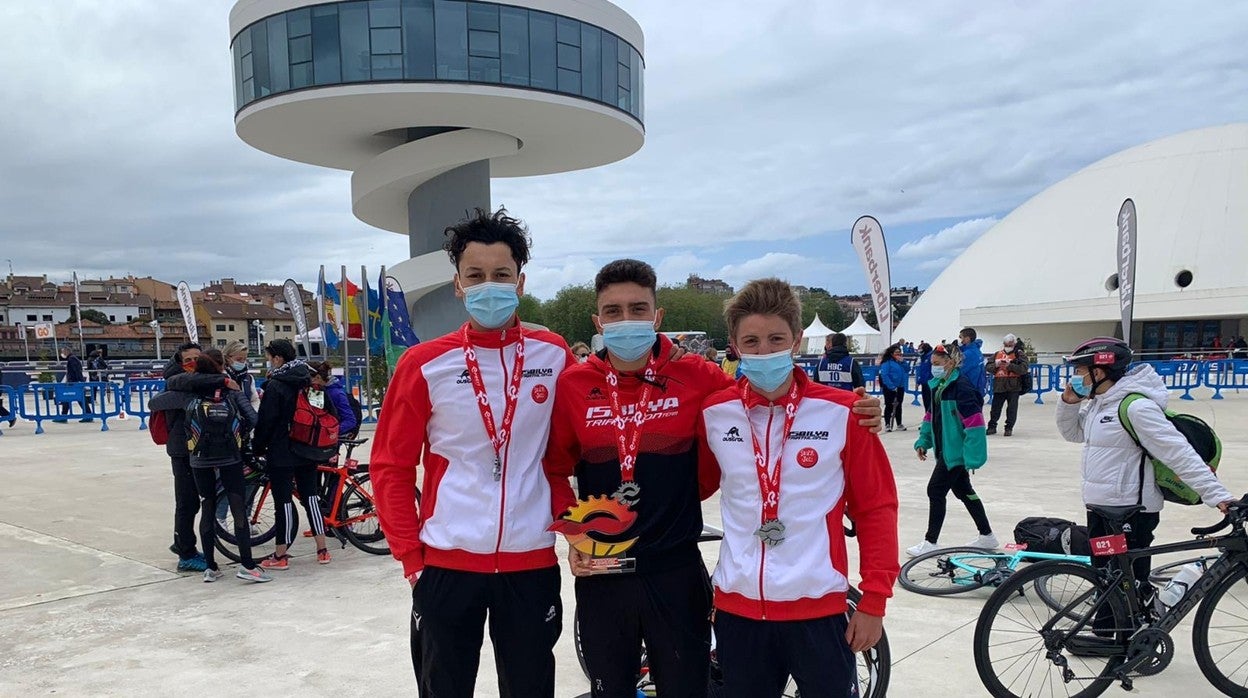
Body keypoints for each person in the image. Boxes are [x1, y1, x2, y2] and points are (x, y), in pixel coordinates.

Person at [544, 261, 884, 698]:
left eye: (637, 308)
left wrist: (857, 410)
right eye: (613, 311)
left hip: (676, 571)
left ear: (657, 316)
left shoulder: (700, 379)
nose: (626, 320)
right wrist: (573, 533)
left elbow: (739, 435)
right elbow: (553, 468)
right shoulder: (573, 383)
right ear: (598, 321)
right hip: (604, 571)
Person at [371, 208, 570, 698]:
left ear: (520, 282)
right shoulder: (424, 363)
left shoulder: (553, 353)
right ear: (457, 285)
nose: (489, 286)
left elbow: (564, 458)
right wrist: (412, 559)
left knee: (530, 689)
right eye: (475, 276)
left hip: (531, 562)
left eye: (501, 275)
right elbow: (390, 467)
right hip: (446, 564)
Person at [696, 278, 897, 698]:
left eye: (776, 339)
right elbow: (693, 486)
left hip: (818, 611)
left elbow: (876, 508)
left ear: (797, 340)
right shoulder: (715, 413)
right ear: (733, 345)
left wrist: (874, 600)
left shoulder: (843, 413)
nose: (763, 351)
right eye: (751, 341)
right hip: (738, 612)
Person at [1056, 337, 1234, 604]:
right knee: (1106, 578)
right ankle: (1109, 636)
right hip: (1101, 507)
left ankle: (1129, 635)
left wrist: (1218, 496)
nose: (1075, 378)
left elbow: (1179, 453)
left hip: (1132, 512)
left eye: (1080, 371)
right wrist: (1069, 402)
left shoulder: (1136, 408)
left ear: (1099, 371)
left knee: (1126, 582)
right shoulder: (1099, 404)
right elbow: (1072, 433)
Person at [173, 351, 270, 583]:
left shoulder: (188, 393)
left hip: (199, 458)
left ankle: (210, 567)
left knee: (208, 507)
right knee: (238, 509)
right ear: (219, 369)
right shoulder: (232, 390)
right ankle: (247, 565)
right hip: (230, 457)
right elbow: (254, 419)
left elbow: (156, 400)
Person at [908, 342, 998, 556]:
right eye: (932, 363)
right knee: (964, 492)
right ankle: (987, 536)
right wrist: (924, 441)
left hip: (955, 454)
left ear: (950, 362)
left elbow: (975, 424)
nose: (934, 367)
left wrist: (972, 456)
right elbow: (930, 417)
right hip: (944, 450)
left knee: (935, 490)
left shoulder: (962, 388)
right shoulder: (938, 386)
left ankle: (931, 541)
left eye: (937, 363)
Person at [252, 339, 333, 570]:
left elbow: (266, 422)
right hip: (307, 450)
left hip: (281, 452)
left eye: (269, 357)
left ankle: (281, 555)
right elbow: (324, 412)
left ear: (278, 358)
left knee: (284, 502)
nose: (269, 361)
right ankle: (322, 549)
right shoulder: (309, 382)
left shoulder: (275, 386)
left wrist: (258, 447)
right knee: (311, 497)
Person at [150, 342, 231, 572]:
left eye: (198, 358)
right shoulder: (176, 385)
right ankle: (185, 552)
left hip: (198, 449)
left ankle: (183, 543)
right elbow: (154, 402)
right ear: (179, 363)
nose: (193, 363)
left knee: (198, 500)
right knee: (187, 502)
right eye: (188, 360)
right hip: (182, 449)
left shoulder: (198, 381)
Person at [986, 333, 1029, 436]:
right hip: (999, 386)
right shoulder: (997, 354)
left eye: (1010, 344)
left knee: (1012, 409)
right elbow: (988, 367)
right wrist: (996, 365)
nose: (1008, 346)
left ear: (1014, 344)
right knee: (995, 408)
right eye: (1006, 344)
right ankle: (992, 426)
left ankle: (1009, 428)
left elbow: (1024, 369)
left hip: (1014, 386)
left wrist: (1010, 366)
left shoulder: (1020, 354)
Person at [56, 346, 92, 422]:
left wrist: (79, 381)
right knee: (72, 398)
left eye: (63, 352)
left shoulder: (72, 359)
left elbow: (77, 371)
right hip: (74, 382)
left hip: (73, 383)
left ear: (67, 351)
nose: (62, 354)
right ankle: (88, 415)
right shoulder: (72, 358)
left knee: (71, 398)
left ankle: (64, 417)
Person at [877, 344, 908, 432]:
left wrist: (903, 362)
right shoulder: (887, 362)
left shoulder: (900, 362)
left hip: (900, 386)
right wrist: (891, 386)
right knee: (889, 405)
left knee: (899, 405)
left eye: (899, 353)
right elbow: (885, 375)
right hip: (890, 387)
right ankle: (887, 424)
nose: (898, 354)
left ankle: (899, 423)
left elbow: (907, 369)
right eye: (896, 353)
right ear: (891, 353)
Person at [223, 340, 260, 411]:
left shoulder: (249, 378)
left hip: (246, 418)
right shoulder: (220, 377)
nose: (243, 362)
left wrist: (253, 413)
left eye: (245, 359)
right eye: (239, 359)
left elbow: (254, 400)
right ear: (227, 358)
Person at [958, 327, 987, 397]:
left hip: (968, 388)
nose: (959, 340)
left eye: (960, 337)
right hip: (976, 387)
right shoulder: (976, 350)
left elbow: (959, 371)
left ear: (967, 339)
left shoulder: (968, 354)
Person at [915, 342, 934, 413]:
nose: (919, 350)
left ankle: (930, 418)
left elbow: (926, 372)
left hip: (929, 383)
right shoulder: (924, 357)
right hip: (925, 382)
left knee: (929, 402)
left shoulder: (929, 357)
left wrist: (919, 381)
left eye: (920, 349)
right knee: (926, 402)